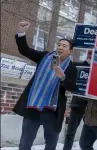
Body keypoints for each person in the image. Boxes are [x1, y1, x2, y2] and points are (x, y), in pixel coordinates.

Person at [13, 21, 77, 150]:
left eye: (64, 46)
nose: (60, 47)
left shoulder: (72, 68)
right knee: (25, 143)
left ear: (70, 51)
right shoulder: (44, 56)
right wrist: (21, 32)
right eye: (59, 44)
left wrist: (62, 76)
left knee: (51, 144)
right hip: (34, 106)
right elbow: (25, 50)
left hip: (53, 110)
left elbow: (71, 87)